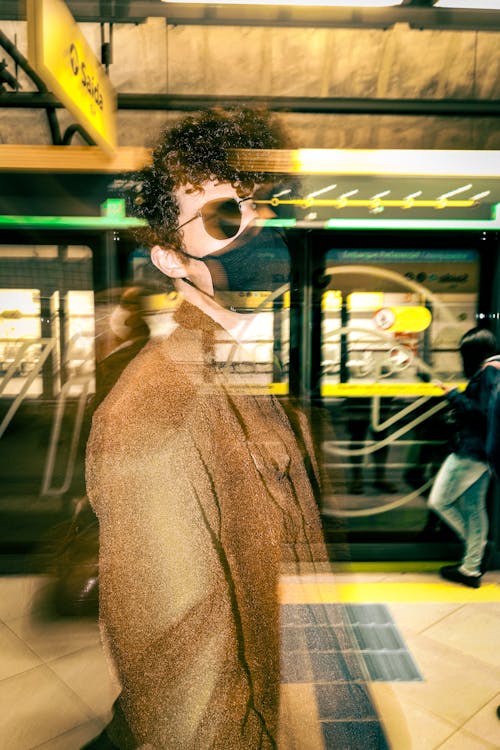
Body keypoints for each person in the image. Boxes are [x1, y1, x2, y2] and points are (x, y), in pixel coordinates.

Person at [84, 108, 327, 749]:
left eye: (267, 205)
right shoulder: (151, 413)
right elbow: (181, 679)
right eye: (227, 216)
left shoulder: (245, 370)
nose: (261, 229)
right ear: (170, 258)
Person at [428, 327, 499, 588]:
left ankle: (476, 552)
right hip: (485, 453)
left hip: (471, 452)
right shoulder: (495, 369)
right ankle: (471, 567)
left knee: (440, 501)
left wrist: (453, 395)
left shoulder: (489, 371)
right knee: (473, 507)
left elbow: (479, 412)